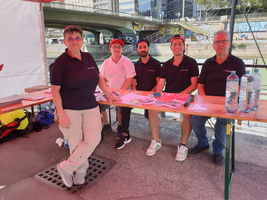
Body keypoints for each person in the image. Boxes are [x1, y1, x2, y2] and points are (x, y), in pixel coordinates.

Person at [50, 25, 120, 187]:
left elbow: (98, 78)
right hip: (69, 108)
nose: (74, 41)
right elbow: (55, 90)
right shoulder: (60, 62)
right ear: (65, 41)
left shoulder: (88, 57)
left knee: (93, 138)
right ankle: (81, 170)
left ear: (82, 40)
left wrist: (108, 93)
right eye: (70, 38)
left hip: (90, 105)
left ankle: (66, 168)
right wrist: (61, 113)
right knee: (75, 143)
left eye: (77, 38)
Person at [189, 30, 245, 165]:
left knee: (222, 122)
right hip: (207, 102)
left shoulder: (238, 63)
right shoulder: (208, 63)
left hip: (227, 104)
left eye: (223, 41)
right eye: (217, 42)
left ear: (229, 44)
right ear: (213, 45)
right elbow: (200, 84)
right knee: (195, 119)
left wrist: (228, 103)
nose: (220, 44)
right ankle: (203, 143)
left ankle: (218, 151)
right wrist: (206, 101)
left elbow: (241, 87)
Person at [148, 35, 199, 161]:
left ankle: (182, 145)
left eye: (179, 44)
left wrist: (179, 96)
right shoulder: (165, 65)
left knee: (187, 115)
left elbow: (194, 85)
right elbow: (160, 84)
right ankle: (156, 141)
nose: (177, 46)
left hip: (185, 96)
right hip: (168, 96)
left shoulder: (191, 63)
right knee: (151, 110)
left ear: (184, 47)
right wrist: (156, 97)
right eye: (174, 44)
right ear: (171, 48)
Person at [115, 39, 161, 149]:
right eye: (140, 47)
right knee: (125, 106)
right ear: (137, 50)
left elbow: (159, 83)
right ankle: (125, 134)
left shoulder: (156, 64)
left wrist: (149, 94)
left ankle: (155, 137)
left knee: (149, 113)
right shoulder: (135, 65)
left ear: (148, 48)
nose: (142, 49)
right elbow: (133, 82)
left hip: (153, 94)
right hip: (138, 94)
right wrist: (135, 94)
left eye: (144, 47)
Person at [99, 39, 136, 137]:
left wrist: (119, 92)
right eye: (114, 47)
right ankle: (106, 126)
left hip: (123, 92)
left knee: (120, 107)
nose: (116, 49)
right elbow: (102, 79)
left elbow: (130, 79)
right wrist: (105, 91)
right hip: (109, 91)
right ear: (110, 49)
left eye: (119, 47)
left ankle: (120, 127)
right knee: (99, 104)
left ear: (122, 49)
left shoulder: (127, 62)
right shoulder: (106, 63)